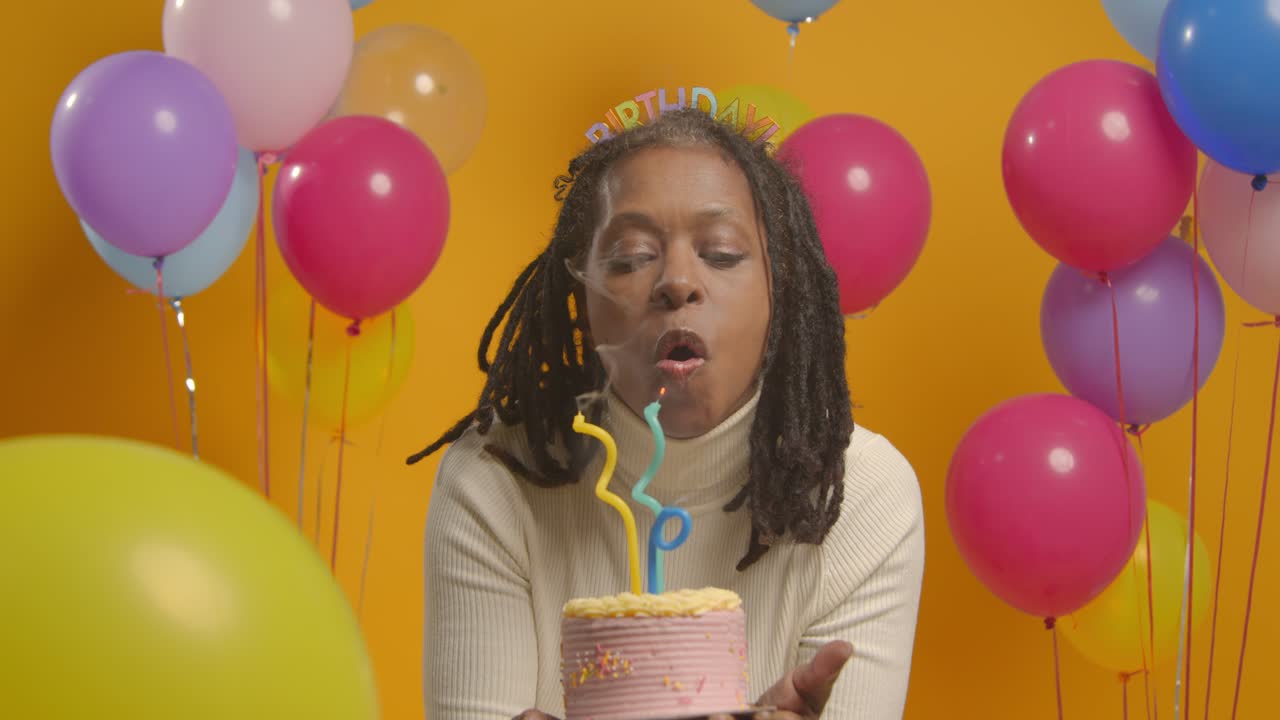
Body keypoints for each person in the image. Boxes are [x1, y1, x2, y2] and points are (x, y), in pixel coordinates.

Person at [408, 107, 924, 719]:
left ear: (778, 289)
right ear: (582, 296)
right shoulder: (495, 479)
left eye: (723, 253)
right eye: (629, 257)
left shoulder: (863, 495)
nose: (677, 281)